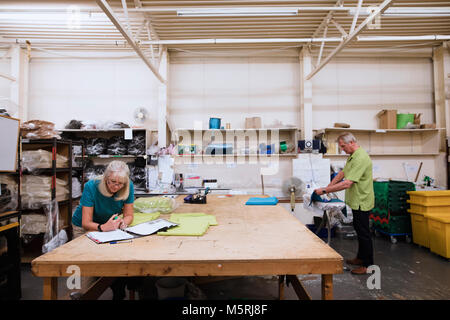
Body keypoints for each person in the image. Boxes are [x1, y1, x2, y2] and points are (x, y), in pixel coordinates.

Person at [71, 160, 139, 299]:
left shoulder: (128, 186)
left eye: (120, 183)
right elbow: (86, 222)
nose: (116, 186)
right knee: (87, 261)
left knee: (114, 257)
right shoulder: (91, 186)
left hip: (109, 225)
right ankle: (84, 294)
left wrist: (122, 223)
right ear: (105, 178)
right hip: (85, 225)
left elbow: (129, 215)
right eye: (112, 181)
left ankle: (117, 290)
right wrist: (102, 228)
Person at [314, 132, 374, 275]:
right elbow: (342, 174)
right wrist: (328, 187)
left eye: (343, 146)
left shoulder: (360, 158)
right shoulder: (352, 157)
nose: (342, 149)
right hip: (356, 199)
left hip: (362, 200)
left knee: (364, 233)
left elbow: (347, 183)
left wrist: (324, 190)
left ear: (351, 142)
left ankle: (368, 265)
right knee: (359, 230)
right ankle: (360, 258)